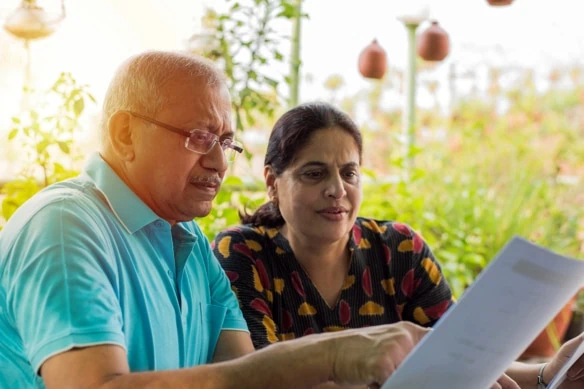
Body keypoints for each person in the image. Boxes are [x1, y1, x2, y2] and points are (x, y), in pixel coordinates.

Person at [0, 51, 432, 389]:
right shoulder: (65, 227)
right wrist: (329, 354)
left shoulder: (184, 237)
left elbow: (247, 375)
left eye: (225, 142)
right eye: (199, 137)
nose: (218, 161)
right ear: (124, 135)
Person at [213, 101, 584, 388]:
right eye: (314, 173)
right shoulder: (245, 254)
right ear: (272, 182)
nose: (337, 190)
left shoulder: (398, 250)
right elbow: (260, 377)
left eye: (349, 173)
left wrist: (549, 372)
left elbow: (462, 357)